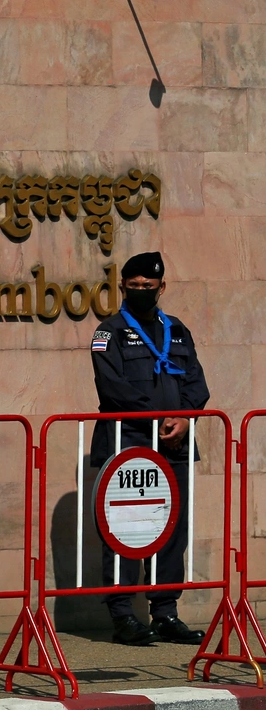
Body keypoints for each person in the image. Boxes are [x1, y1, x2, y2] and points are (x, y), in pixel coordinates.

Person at [90, 251, 209, 646]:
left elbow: (195, 382)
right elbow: (113, 389)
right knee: (125, 528)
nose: (142, 291)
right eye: (135, 285)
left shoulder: (176, 330)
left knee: (171, 527)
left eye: (149, 286)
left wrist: (184, 417)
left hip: (174, 442)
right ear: (122, 285)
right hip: (129, 441)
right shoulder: (108, 333)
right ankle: (123, 615)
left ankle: (165, 612)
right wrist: (159, 418)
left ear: (161, 287)